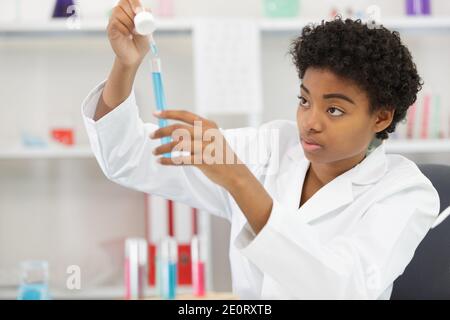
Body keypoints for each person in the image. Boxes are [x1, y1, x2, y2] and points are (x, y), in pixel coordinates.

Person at [81, 0, 440, 299]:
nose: (310, 121)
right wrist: (126, 64)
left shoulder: (406, 191)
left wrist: (239, 180)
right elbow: (125, 158)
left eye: (334, 109)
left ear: (380, 117)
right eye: (304, 100)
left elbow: (342, 289)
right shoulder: (271, 146)